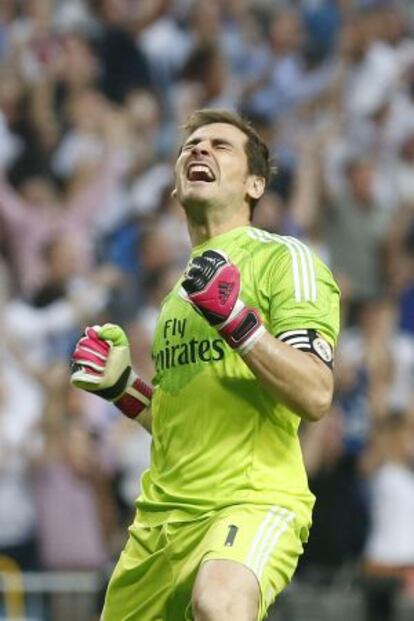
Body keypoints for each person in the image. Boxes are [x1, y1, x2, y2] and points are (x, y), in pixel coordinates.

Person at [70, 109, 340, 621]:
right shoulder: (180, 294)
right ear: (174, 188)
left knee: (218, 604)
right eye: (191, 145)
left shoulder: (285, 260)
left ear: (255, 184)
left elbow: (316, 394)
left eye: (221, 146)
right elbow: (179, 423)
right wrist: (124, 390)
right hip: (160, 524)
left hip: (250, 499)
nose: (199, 150)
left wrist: (239, 323)